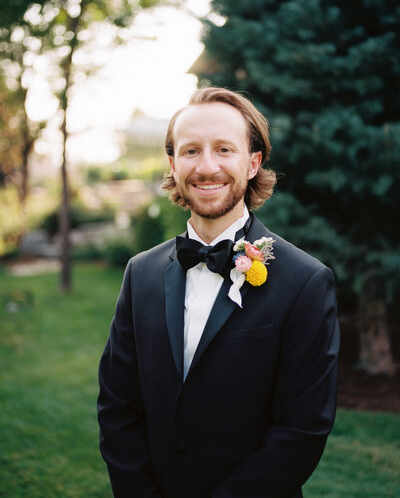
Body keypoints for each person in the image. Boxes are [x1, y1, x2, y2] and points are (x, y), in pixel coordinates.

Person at [97, 87, 340, 498]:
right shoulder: (140, 273)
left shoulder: (306, 283)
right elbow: (118, 406)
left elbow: (301, 430)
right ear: (173, 165)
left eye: (224, 149)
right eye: (191, 151)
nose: (207, 166)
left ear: (253, 162)